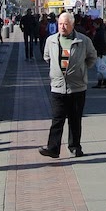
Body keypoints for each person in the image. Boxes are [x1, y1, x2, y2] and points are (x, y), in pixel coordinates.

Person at [39, 12, 96, 159]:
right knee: (57, 119)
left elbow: (92, 57)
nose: (62, 27)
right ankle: (53, 148)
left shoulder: (83, 41)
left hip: (77, 87)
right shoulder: (51, 40)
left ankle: (75, 147)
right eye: (60, 24)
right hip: (57, 87)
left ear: (72, 25)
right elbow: (47, 57)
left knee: (75, 119)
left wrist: (81, 70)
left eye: (65, 24)